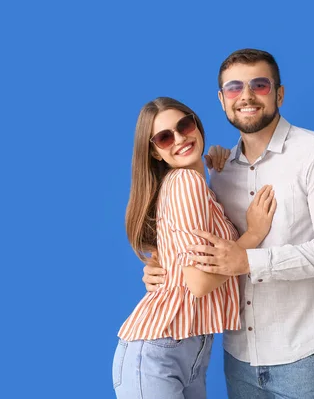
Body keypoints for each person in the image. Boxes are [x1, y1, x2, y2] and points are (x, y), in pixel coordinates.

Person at [142, 49, 314, 399]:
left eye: (259, 84)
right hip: (238, 356)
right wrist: (162, 268)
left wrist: (248, 260)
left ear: (279, 94)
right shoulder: (220, 173)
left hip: (303, 353)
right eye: (233, 88)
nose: (245, 96)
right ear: (221, 100)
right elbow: (200, 251)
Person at [112, 97, 277, 399]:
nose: (179, 138)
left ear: (196, 123)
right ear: (154, 152)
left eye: (184, 125)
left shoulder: (198, 185)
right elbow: (199, 283)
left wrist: (220, 166)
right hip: (159, 355)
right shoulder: (186, 182)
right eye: (164, 137)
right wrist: (253, 235)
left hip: (188, 353)